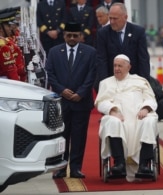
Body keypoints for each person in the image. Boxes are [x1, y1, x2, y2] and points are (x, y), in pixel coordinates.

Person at [95, 54, 158, 182]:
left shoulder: (140, 81)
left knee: (149, 121)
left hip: (138, 117)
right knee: (112, 122)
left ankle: (144, 165)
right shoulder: (106, 83)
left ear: (128, 67)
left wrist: (145, 109)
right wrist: (112, 111)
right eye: (115, 66)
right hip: (119, 118)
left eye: (120, 66)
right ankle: (119, 164)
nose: (117, 68)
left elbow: (151, 99)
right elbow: (100, 102)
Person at [45, 22, 96, 179]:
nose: (72, 38)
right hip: (61, 102)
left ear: (80, 36)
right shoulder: (54, 52)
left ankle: (76, 168)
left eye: (75, 35)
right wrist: (62, 90)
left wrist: (80, 93)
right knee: (61, 136)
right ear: (64, 35)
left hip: (81, 101)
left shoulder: (90, 52)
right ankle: (60, 167)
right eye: (69, 35)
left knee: (79, 136)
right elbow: (50, 73)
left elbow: (92, 74)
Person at [96, 2, 150, 91]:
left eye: (115, 19)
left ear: (125, 17)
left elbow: (143, 59)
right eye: (110, 18)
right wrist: (104, 84)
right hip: (112, 82)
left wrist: (144, 84)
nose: (112, 22)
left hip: (134, 82)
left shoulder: (138, 32)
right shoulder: (103, 33)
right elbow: (102, 60)